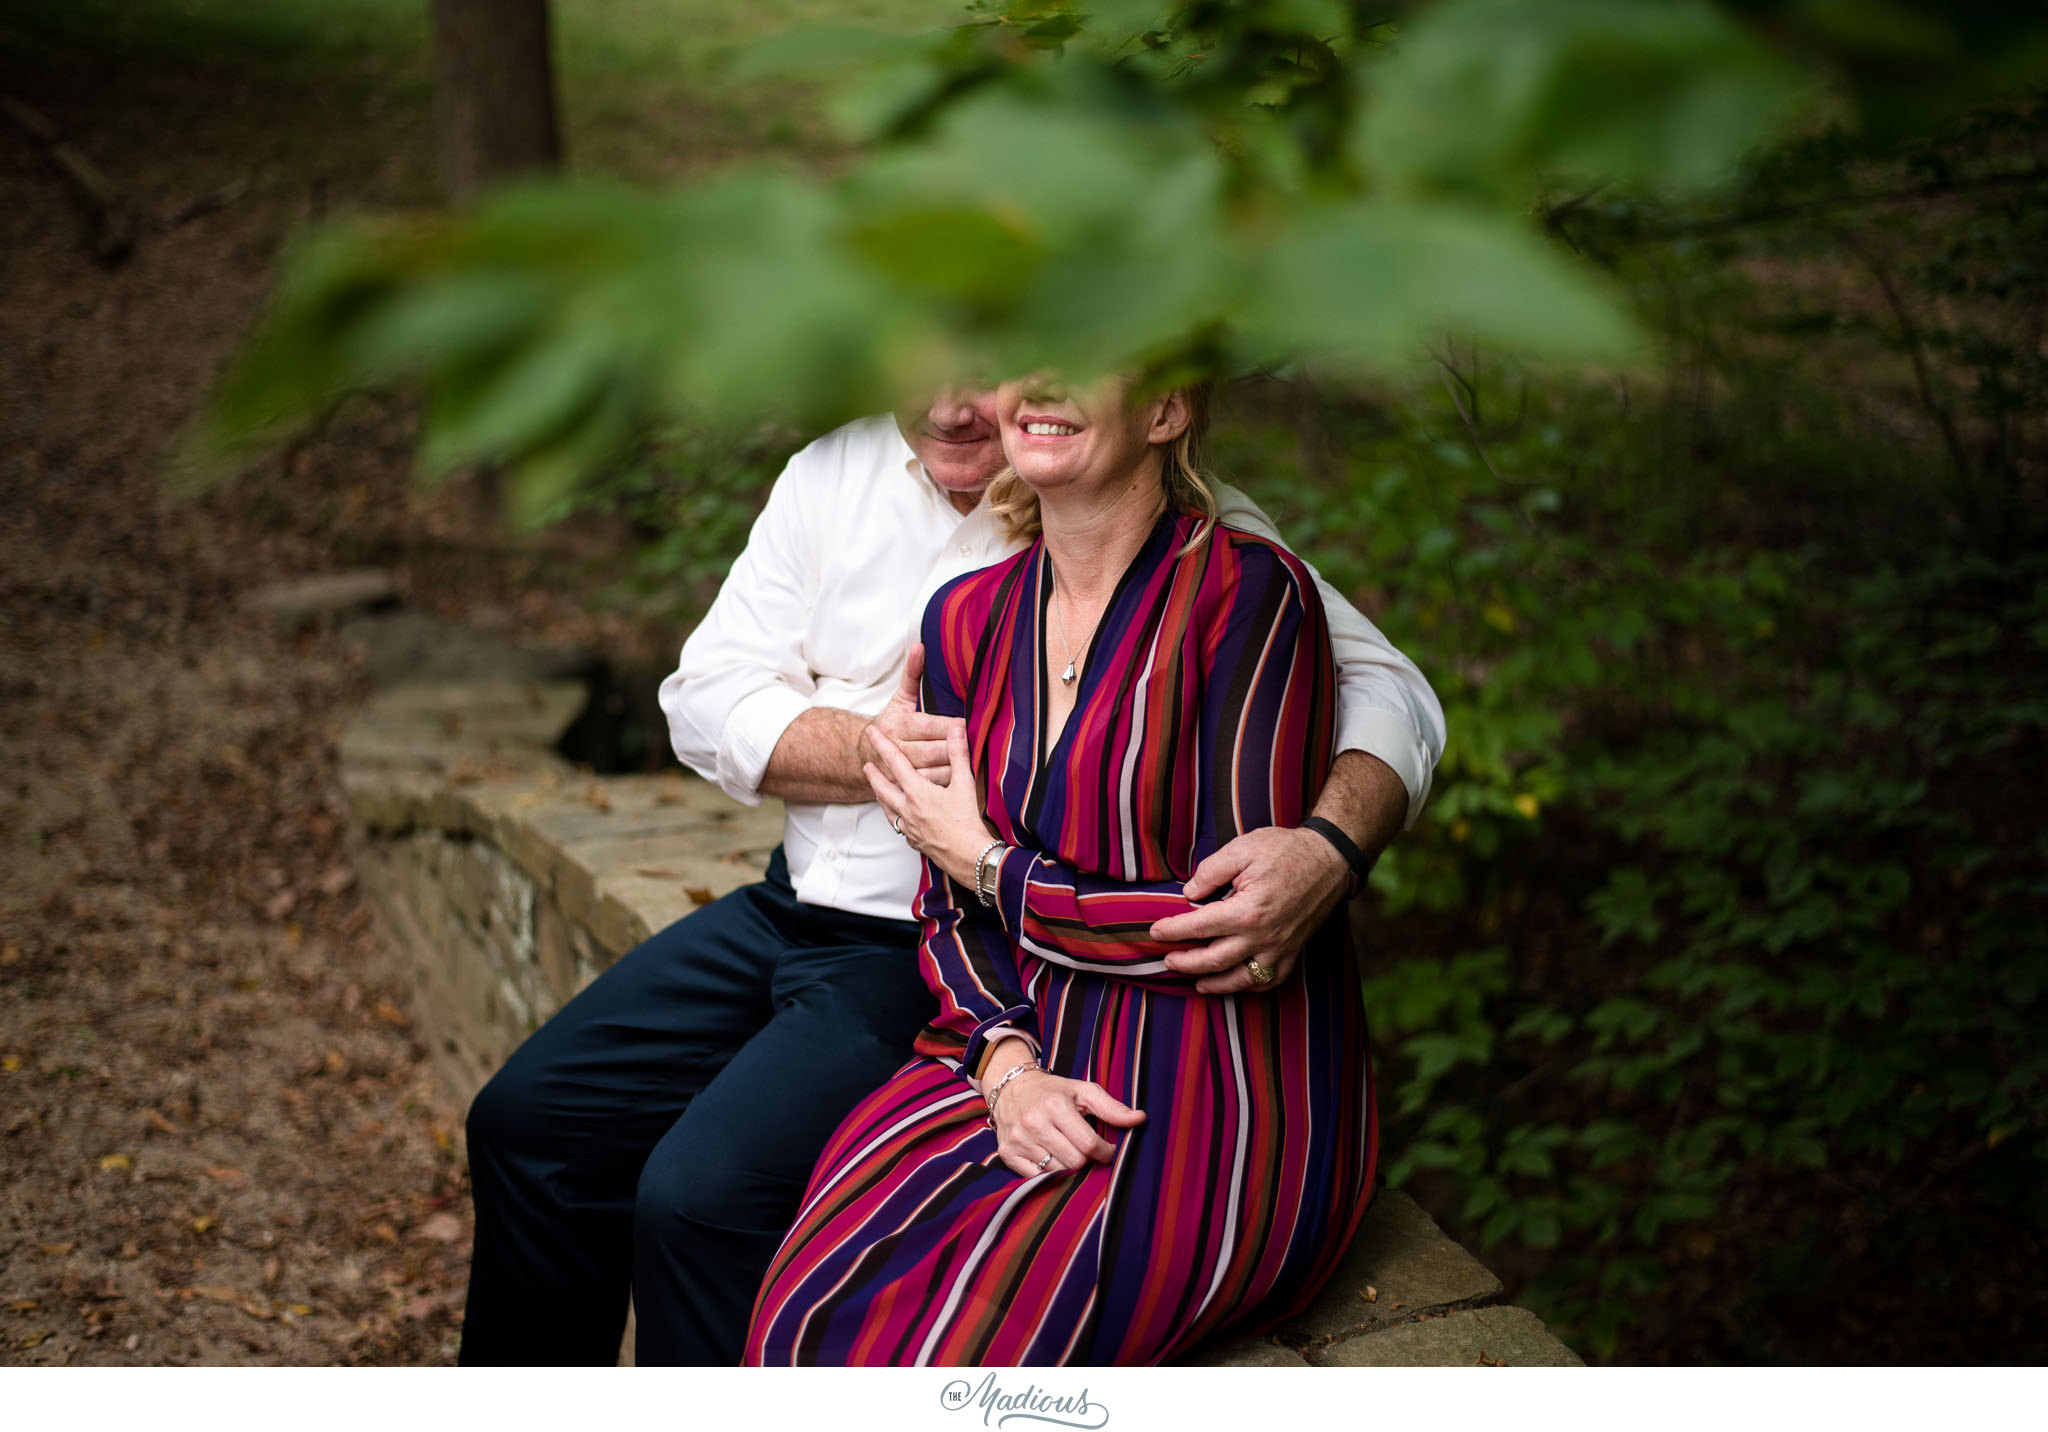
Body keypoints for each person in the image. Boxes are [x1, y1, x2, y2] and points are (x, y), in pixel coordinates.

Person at [457, 388, 1443, 1366]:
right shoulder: (834, 471)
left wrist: (1329, 845)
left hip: (936, 953)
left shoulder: (1150, 506)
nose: (951, 403)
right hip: (799, 900)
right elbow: (703, 697)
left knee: (699, 1193)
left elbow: (1388, 690)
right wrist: (881, 750)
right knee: (526, 1123)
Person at [741, 375, 1376, 1366]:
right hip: (1020, 1036)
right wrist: (1005, 1066)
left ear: (1164, 413)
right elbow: (945, 909)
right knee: (806, 1307)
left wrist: (990, 865)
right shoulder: (963, 617)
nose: (1038, 378)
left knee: (953, 1346)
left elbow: (1219, 928)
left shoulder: (1246, 596)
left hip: (1207, 1064)